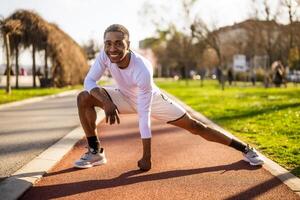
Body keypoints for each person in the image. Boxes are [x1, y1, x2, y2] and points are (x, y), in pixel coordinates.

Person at [74, 24, 264, 170]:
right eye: (108, 43)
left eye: (118, 43)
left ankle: (245, 149)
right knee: (84, 98)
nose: (112, 48)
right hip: (123, 97)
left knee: (196, 126)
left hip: (151, 100)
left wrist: (146, 156)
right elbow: (89, 81)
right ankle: (95, 151)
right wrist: (106, 101)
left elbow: (144, 115)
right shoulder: (105, 55)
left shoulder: (142, 69)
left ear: (128, 45)